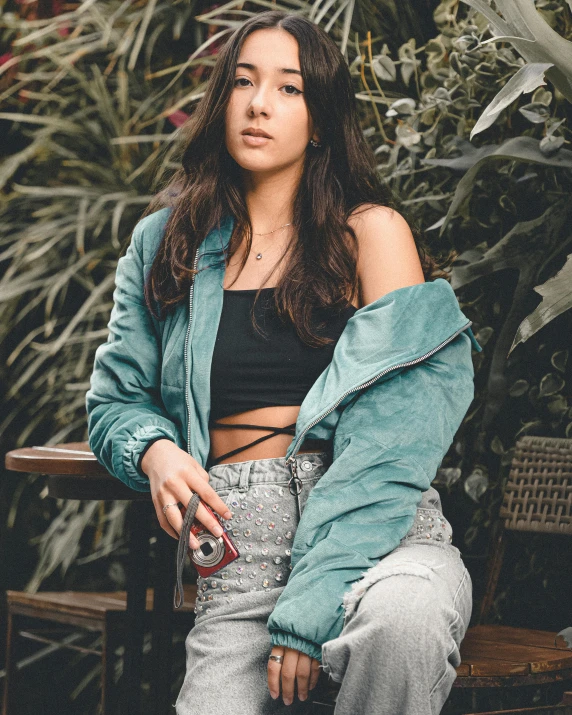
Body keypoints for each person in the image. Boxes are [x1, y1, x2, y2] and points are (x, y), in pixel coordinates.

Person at [86, 10, 482, 715]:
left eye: (290, 88)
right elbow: (116, 399)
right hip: (242, 555)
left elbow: (396, 438)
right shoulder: (165, 242)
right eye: (243, 81)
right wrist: (154, 452)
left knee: (400, 627)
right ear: (222, 99)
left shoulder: (372, 234)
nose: (260, 103)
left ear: (321, 119)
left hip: (381, 543)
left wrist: (310, 606)